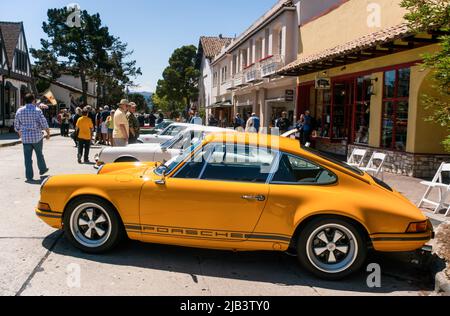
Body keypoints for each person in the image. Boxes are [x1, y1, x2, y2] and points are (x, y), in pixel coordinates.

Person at [14, 93, 50, 182]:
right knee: (39, 154)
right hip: (37, 136)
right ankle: (42, 169)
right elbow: (44, 123)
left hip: (25, 138)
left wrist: (20, 135)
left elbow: (16, 126)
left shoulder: (19, 111)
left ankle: (29, 176)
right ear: (33, 100)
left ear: (24, 100)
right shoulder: (37, 110)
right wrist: (48, 133)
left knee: (27, 158)